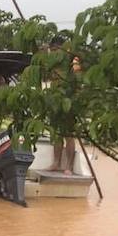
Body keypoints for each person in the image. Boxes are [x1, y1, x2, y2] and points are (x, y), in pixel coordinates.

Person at [46, 36, 77, 174]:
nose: (53, 53)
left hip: (68, 99)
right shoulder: (52, 64)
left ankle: (69, 166)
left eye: (55, 50)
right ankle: (56, 162)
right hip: (55, 99)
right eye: (51, 50)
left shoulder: (69, 62)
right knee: (56, 133)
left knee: (68, 134)